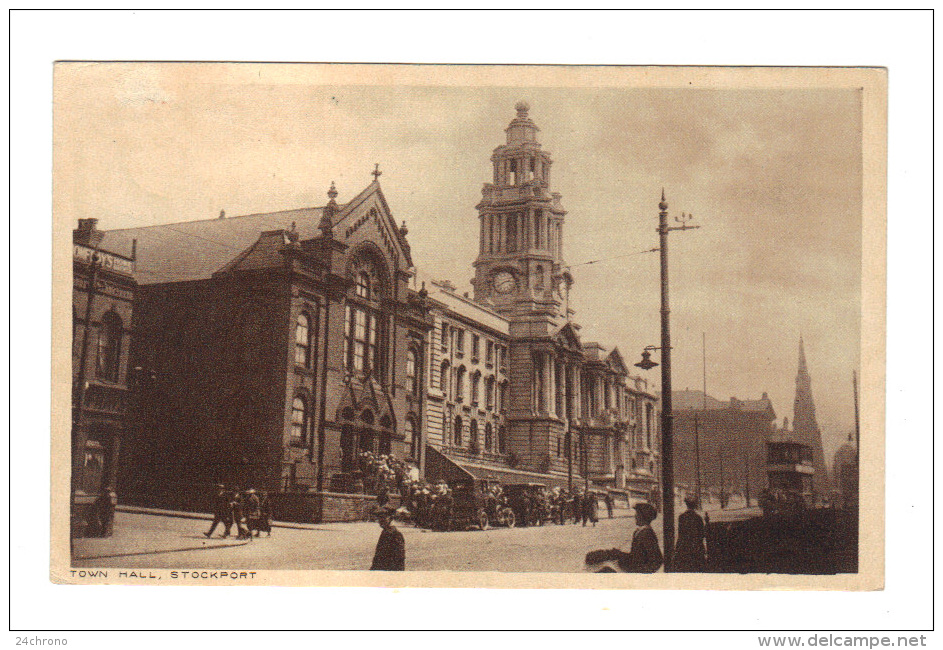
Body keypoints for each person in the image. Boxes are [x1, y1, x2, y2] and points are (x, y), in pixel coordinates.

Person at [673, 496, 706, 572]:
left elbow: (680, 533)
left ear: (686, 505)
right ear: (695, 506)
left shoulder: (681, 517)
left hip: (683, 547)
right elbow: (702, 534)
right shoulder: (698, 518)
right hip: (696, 547)